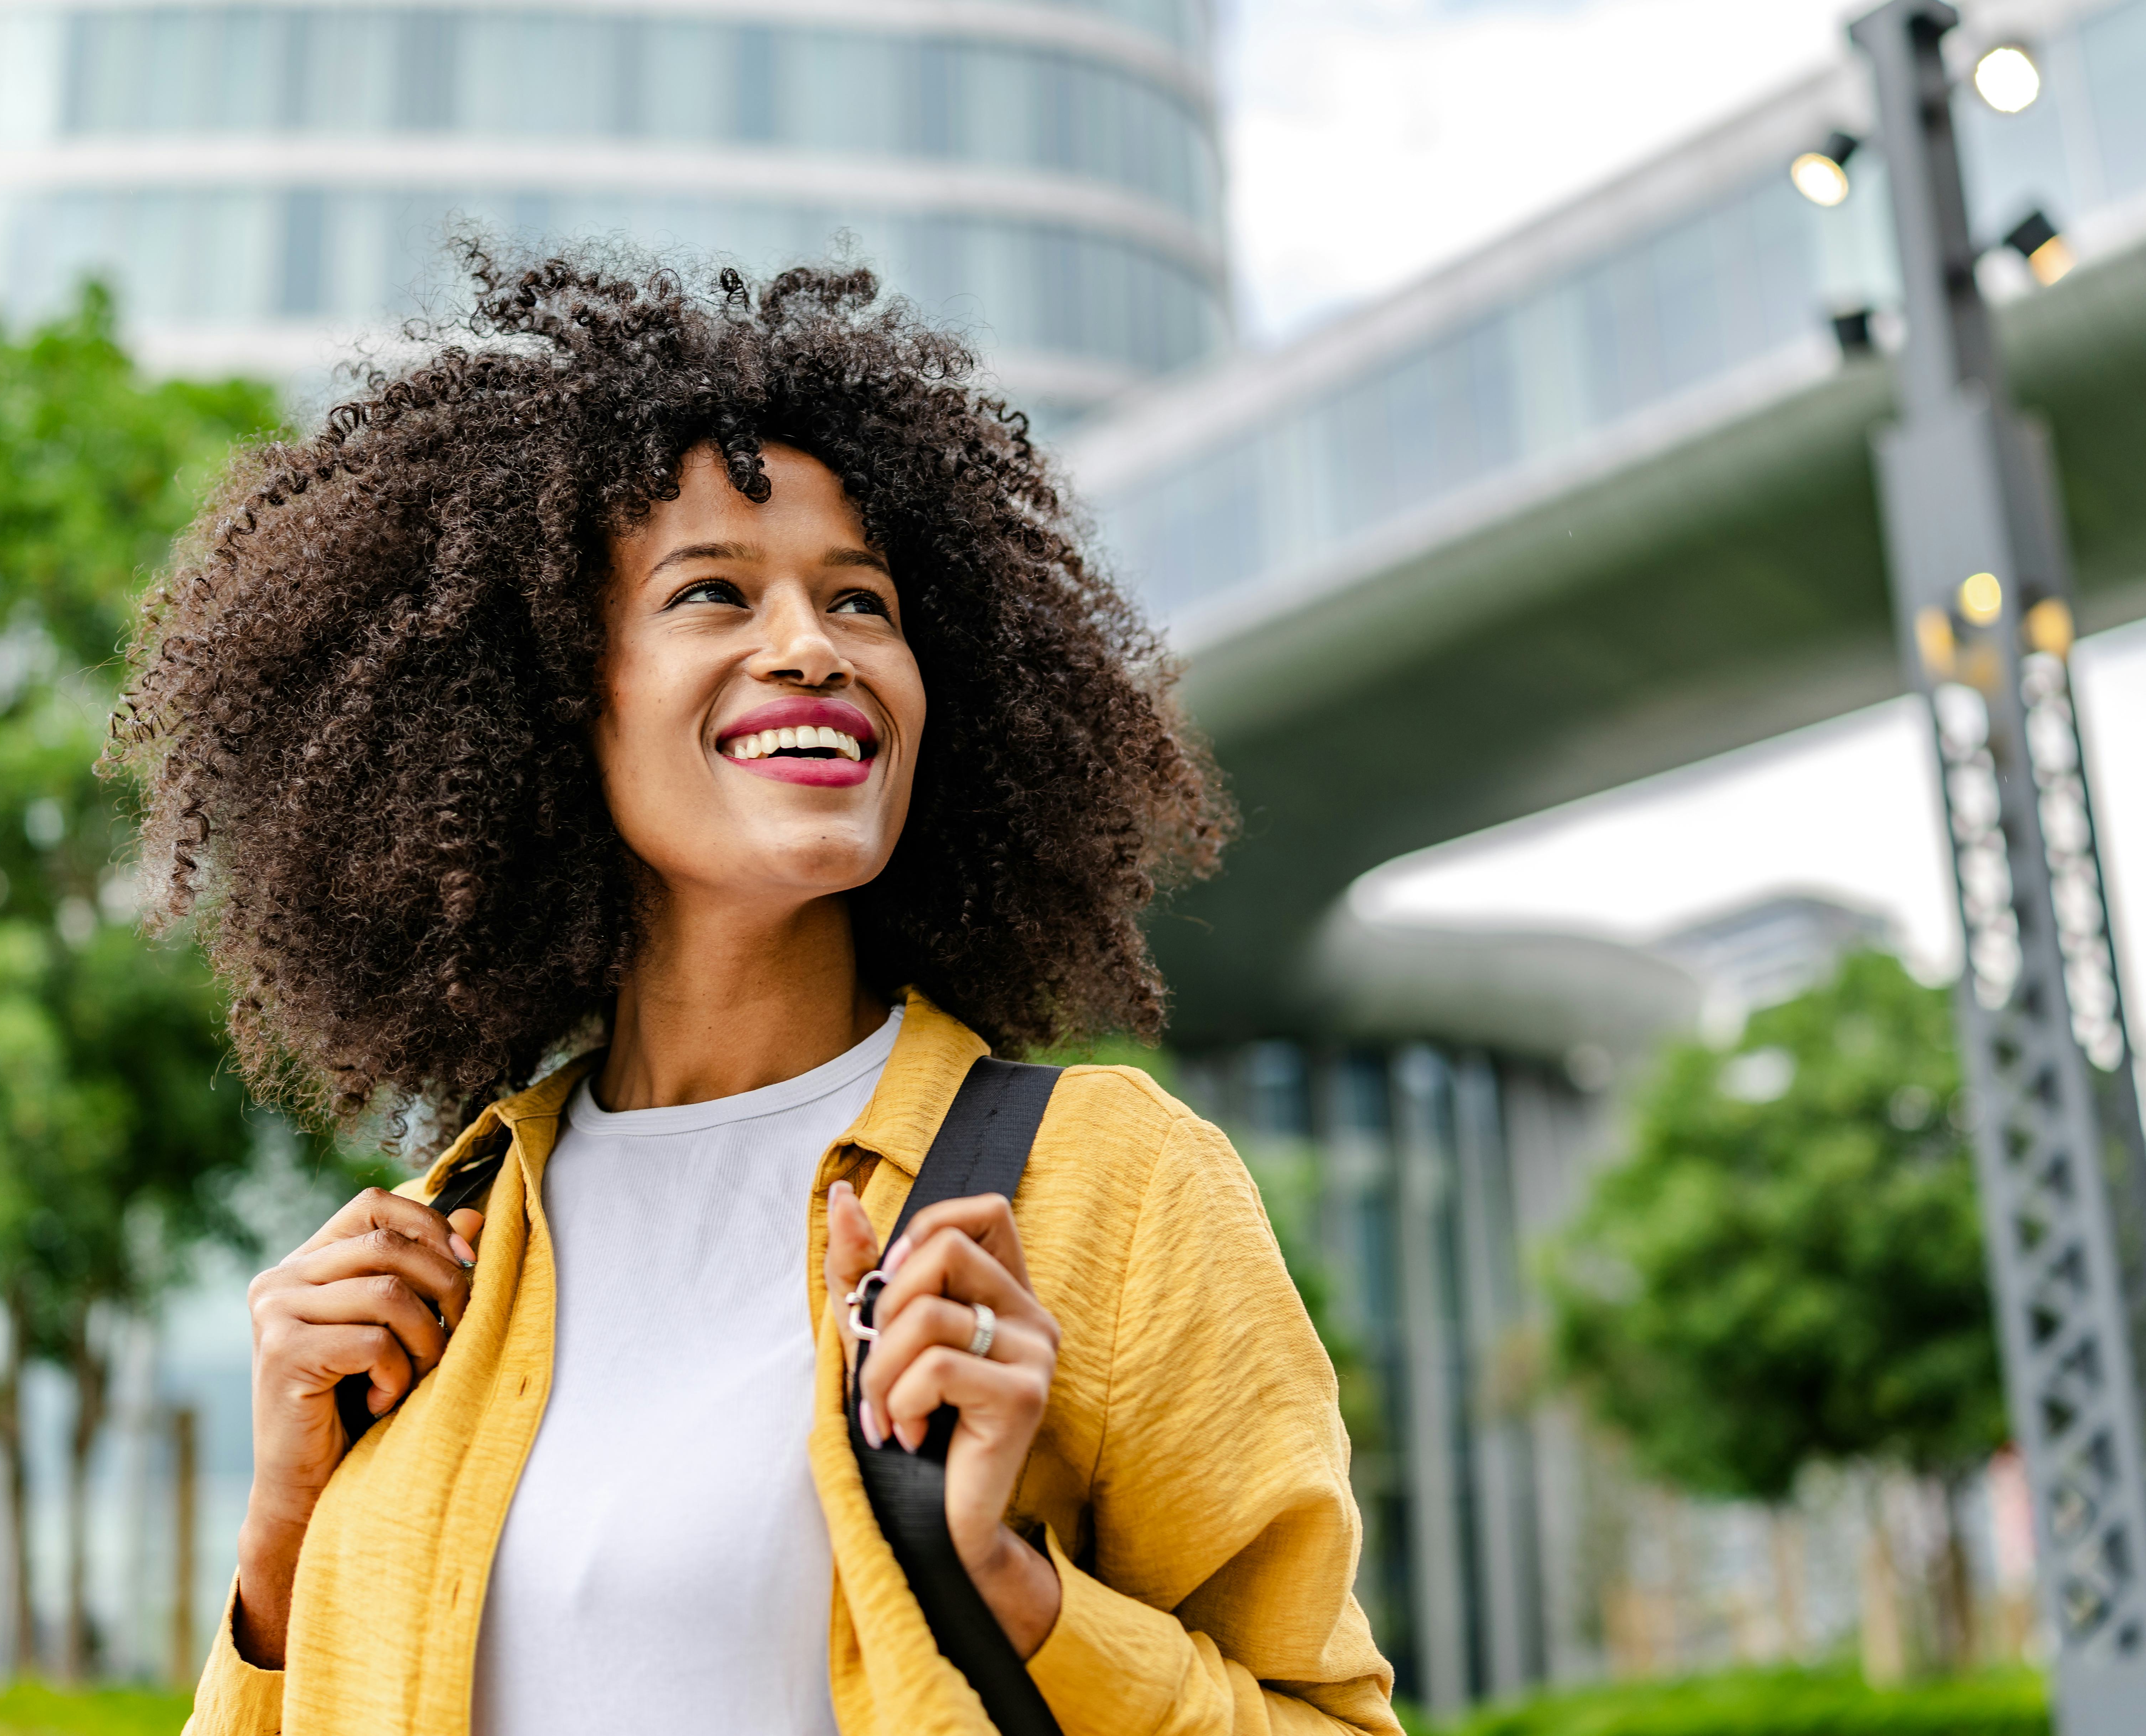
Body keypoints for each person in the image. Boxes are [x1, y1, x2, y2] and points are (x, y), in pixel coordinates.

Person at [112, 250, 1398, 1736]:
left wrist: (1013, 1588)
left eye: (862, 603)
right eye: (712, 591)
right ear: (545, 701)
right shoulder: (444, 1254)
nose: (810, 649)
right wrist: (284, 1540)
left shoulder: (1109, 1192)